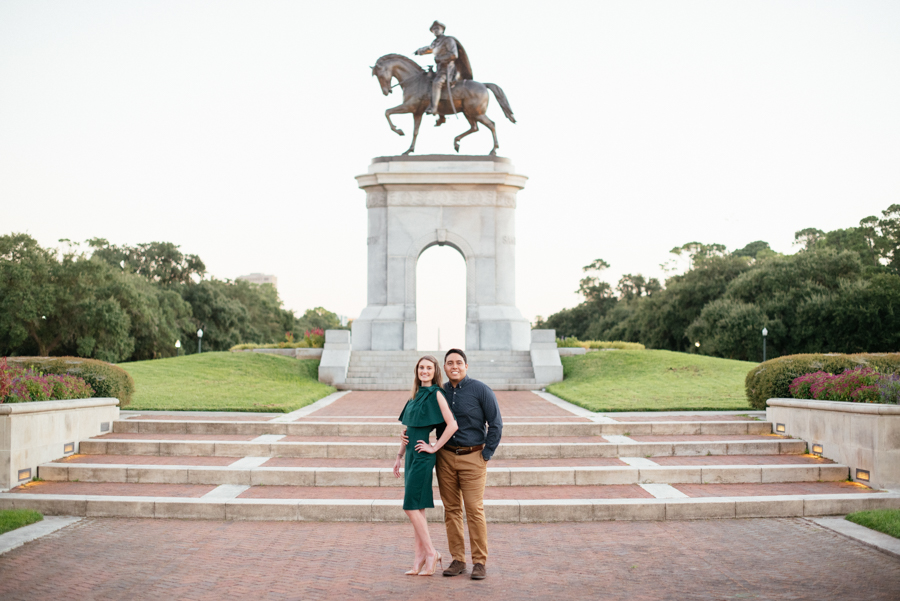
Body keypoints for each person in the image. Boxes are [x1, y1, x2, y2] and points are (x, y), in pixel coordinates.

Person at [401, 348, 502, 580]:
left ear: (466, 366)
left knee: (474, 510)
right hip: (445, 457)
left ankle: (479, 562)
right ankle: (458, 560)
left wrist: (486, 454)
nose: (454, 366)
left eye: (458, 362)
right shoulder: (438, 392)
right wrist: (407, 437)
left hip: (473, 456)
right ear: (444, 368)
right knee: (452, 510)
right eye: (449, 363)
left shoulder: (481, 390)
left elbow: (495, 424)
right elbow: (419, 419)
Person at [393, 355, 458, 576]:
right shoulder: (413, 395)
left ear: (434, 371)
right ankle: (419, 559)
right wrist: (399, 455)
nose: (424, 371)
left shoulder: (437, 394)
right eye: (421, 367)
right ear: (417, 370)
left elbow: (452, 425)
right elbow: (408, 430)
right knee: (418, 508)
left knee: (410, 506)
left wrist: (435, 447)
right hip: (410, 456)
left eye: (429, 368)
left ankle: (432, 553)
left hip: (422, 457)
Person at [414, 20, 473, 116]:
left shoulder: (448, 40)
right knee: (425, 80)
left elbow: (454, 55)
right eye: (434, 29)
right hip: (439, 69)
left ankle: (434, 108)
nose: (436, 30)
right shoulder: (435, 43)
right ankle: (441, 112)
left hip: (448, 70)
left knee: (437, 83)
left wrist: (440, 58)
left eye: (438, 28)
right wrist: (419, 51)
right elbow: (429, 49)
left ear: (442, 29)